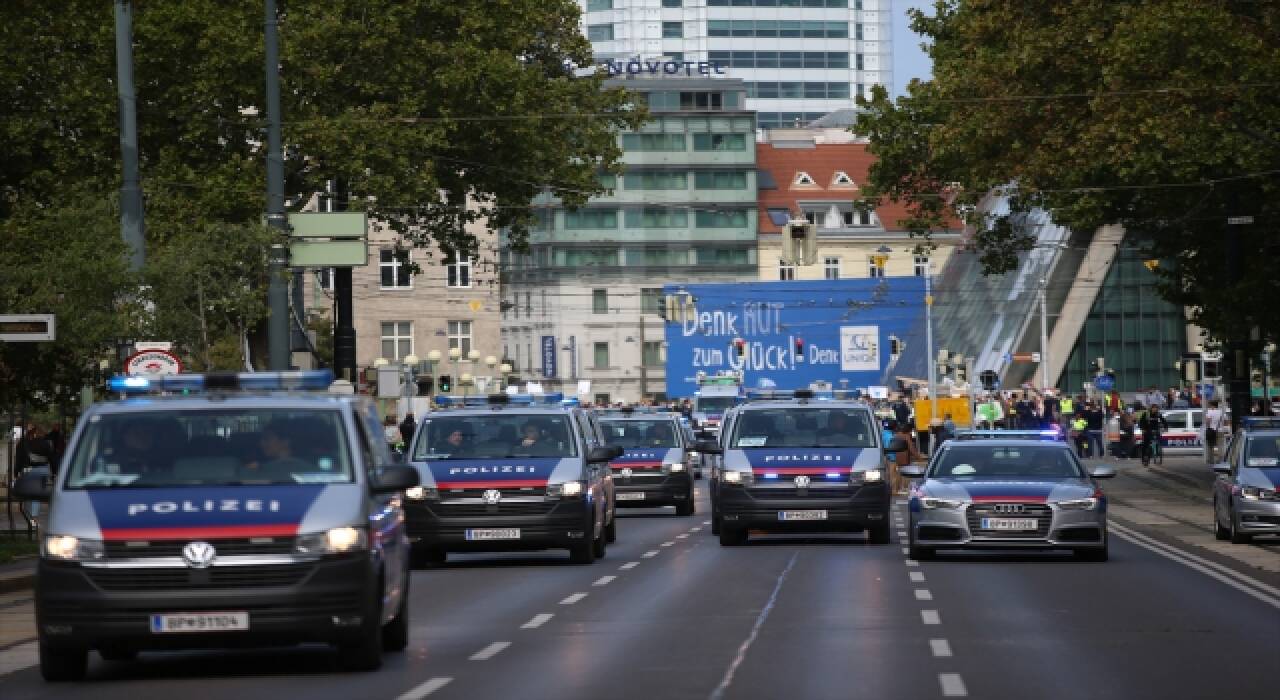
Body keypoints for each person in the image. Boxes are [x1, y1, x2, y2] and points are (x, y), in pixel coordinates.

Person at [890, 420, 922, 495]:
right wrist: (918, 456)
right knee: (904, 473)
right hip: (904, 457)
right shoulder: (906, 436)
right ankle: (902, 488)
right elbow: (911, 449)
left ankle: (897, 489)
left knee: (898, 473)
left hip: (896, 456)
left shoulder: (895, 435)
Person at [1203, 400, 1227, 464]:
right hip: (1220, 431)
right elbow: (1225, 421)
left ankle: (1211, 460)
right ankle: (1220, 460)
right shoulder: (1221, 412)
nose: (1210, 407)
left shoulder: (1210, 412)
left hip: (1211, 430)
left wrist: (1209, 427)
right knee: (1220, 446)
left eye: (1210, 405)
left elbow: (1208, 421)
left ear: (1212, 405)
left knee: (1210, 446)